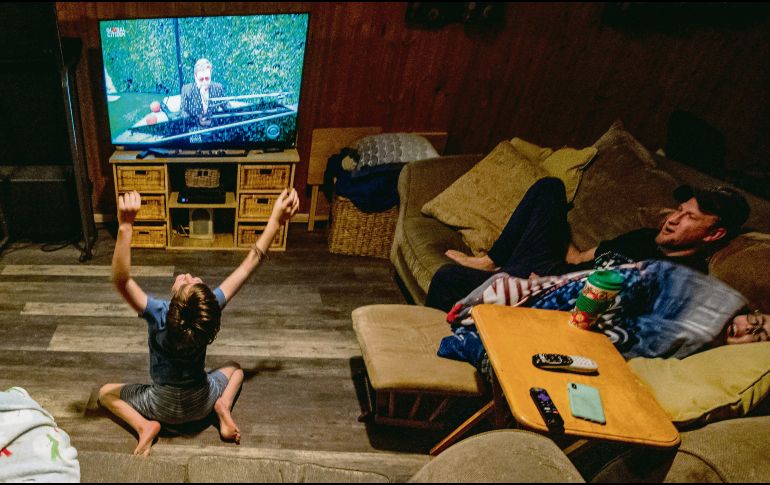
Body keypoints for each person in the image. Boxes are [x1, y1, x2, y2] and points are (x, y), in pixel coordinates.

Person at [98, 188, 299, 457]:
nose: (188, 275)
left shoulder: (158, 315)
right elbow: (248, 265)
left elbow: (121, 280)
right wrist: (276, 220)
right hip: (203, 402)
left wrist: (125, 226)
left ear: (174, 302)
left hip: (161, 406)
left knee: (105, 393)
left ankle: (144, 426)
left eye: (187, 281)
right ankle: (222, 407)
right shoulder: (209, 310)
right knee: (236, 369)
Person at [426, 177, 751, 312]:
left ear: (713, 235)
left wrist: (546, 287)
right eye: (678, 210)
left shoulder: (678, 274)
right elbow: (577, 257)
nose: (673, 219)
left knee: (447, 278)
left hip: (553, 296)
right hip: (553, 270)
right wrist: (552, 225)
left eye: (690, 217)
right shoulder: (645, 236)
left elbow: (613, 312)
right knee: (550, 188)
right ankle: (491, 261)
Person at [180, 58, 227, 127]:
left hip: (214, 128)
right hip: (195, 128)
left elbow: (227, 107)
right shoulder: (187, 90)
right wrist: (196, 119)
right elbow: (183, 112)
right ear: (195, 77)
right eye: (201, 79)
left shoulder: (218, 88)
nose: (204, 82)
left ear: (210, 75)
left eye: (207, 78)